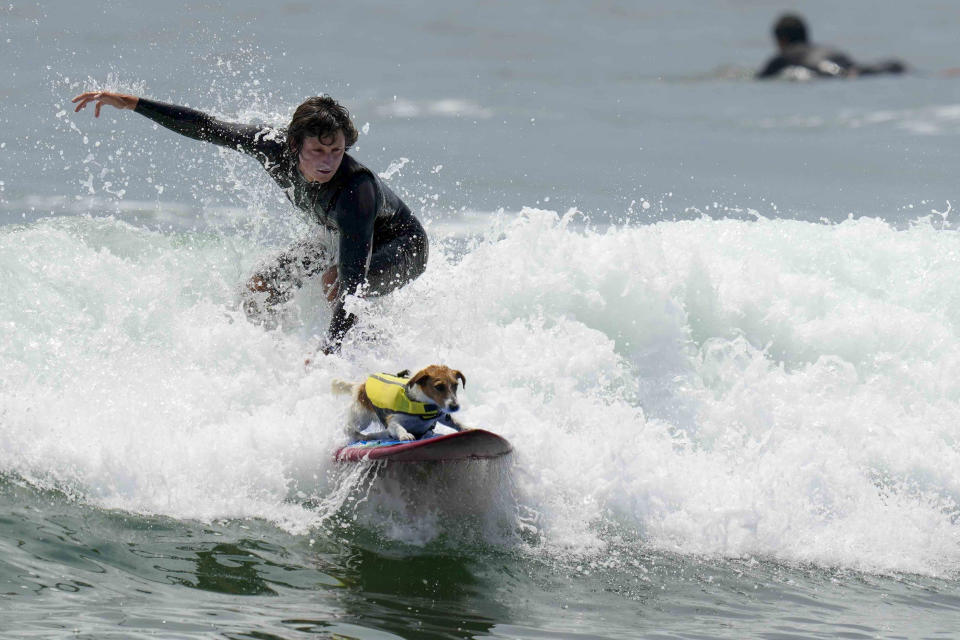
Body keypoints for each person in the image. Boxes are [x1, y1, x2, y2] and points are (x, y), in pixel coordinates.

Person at [71, 91, 428, 354]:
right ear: (293, 145)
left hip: (402, 247)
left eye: (336, 151)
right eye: (317, 151)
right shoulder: (271, 146)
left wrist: (327, 354)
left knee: (336, 284)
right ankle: (273, 354)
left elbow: (352, 288)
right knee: (259, 288)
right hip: (342, 238)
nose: (327, 162)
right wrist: (134, 103)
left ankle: (363, 361)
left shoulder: (356, 193)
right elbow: (206, 127)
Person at [757, 13, 905, 80]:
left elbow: (761, 78)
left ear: (782, 39)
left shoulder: (784, 56)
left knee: (844, 75)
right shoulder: (824, 48)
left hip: (828, 73)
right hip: (848, 65)